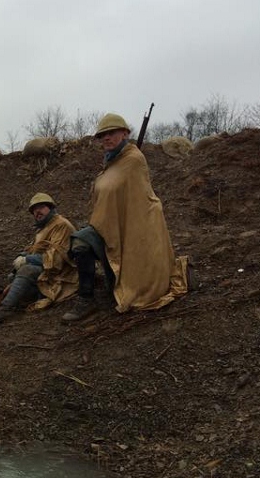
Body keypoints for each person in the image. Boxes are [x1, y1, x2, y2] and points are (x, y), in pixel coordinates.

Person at [62, 113, 190, 322]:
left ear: (125, 133)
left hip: (132, 226)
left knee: (83, 242)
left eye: (111, 133)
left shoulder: (134, 159)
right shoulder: (110, 163)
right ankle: (86, 299)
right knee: (80, 244)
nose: (106, 138)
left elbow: (137, 199)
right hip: (105, 225)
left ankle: (117, 282)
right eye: (102, 135)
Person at [0, 193, 78, 325]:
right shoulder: (44, 227)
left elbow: (57, 260)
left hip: (63, 274)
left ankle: (5, 309)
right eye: (34, 210)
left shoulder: (61, 225)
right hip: (47, 270)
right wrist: (24, 255)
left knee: (27, 270)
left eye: (41, 207)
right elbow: (38, 250)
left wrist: (28, 259)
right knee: (13, 277)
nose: (37, 212)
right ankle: (22, 296)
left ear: (50, 207)